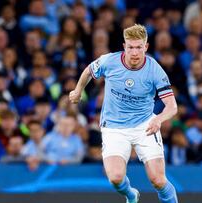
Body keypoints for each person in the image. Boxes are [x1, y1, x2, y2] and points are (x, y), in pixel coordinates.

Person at [69, 24, 178, 203]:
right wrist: (78, 90)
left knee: (158, 180)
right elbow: (89, 70)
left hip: (145, 126)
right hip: (114, 127)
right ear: (124, 46)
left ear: (146, 47)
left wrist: (159, 118)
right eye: (130, 47)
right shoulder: (109, 61)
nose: (134, 52)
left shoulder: (155, 70)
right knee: (116, 178)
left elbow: (172, 106)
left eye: (138, 47)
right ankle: (131, 195)